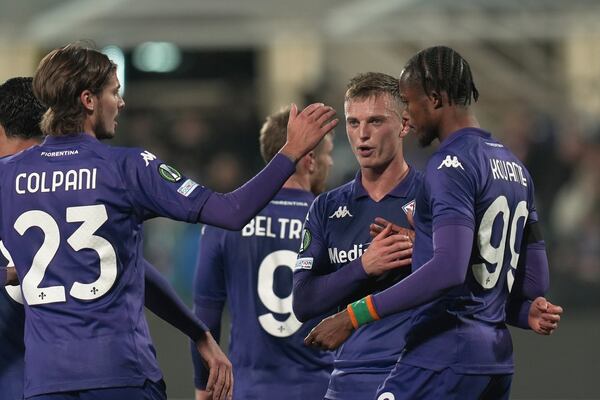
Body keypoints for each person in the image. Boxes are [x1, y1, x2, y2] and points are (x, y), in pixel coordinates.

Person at [0, 42, 336, 400]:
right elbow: (231, 212)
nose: (122, 103)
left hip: (45, 382)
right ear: (88, 100)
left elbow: (135, 268)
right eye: (115, 92)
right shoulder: (127, 168)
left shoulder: (6, 176)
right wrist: (289, 153)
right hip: (120, 372)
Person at [304, 46, 562, 400]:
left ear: (436, 99)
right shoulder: (515, 168)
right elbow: (535, 280)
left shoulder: (447, 165)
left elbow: (449, 270)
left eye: (408, 103)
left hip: (444, 353)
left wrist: (354, 315)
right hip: (496, 360)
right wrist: (425, 242)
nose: (408, 115)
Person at [0, 77, 232, 400]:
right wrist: (197, 331)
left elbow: (129, 265)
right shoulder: (89, 177)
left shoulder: (12, 182)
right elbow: (129, 266)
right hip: (105, 371)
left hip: (40, 383)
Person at [190, 106, 335, 400]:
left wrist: (204, 389)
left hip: (249, 390)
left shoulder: (224, 221)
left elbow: (204, 320)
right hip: (321, 390)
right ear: (309, 160)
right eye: (327, 154)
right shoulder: (335, 222)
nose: (330, 162)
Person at [292, 72, 419, 400]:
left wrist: (424, 249)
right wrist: (364, 266)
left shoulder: (436, 196)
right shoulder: (326, 208)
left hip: (417, 372)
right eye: (353, 122)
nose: (362, 135)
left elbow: (470, 279)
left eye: (375, 121)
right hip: (348, 376)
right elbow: (303, 303)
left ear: (404, 124)